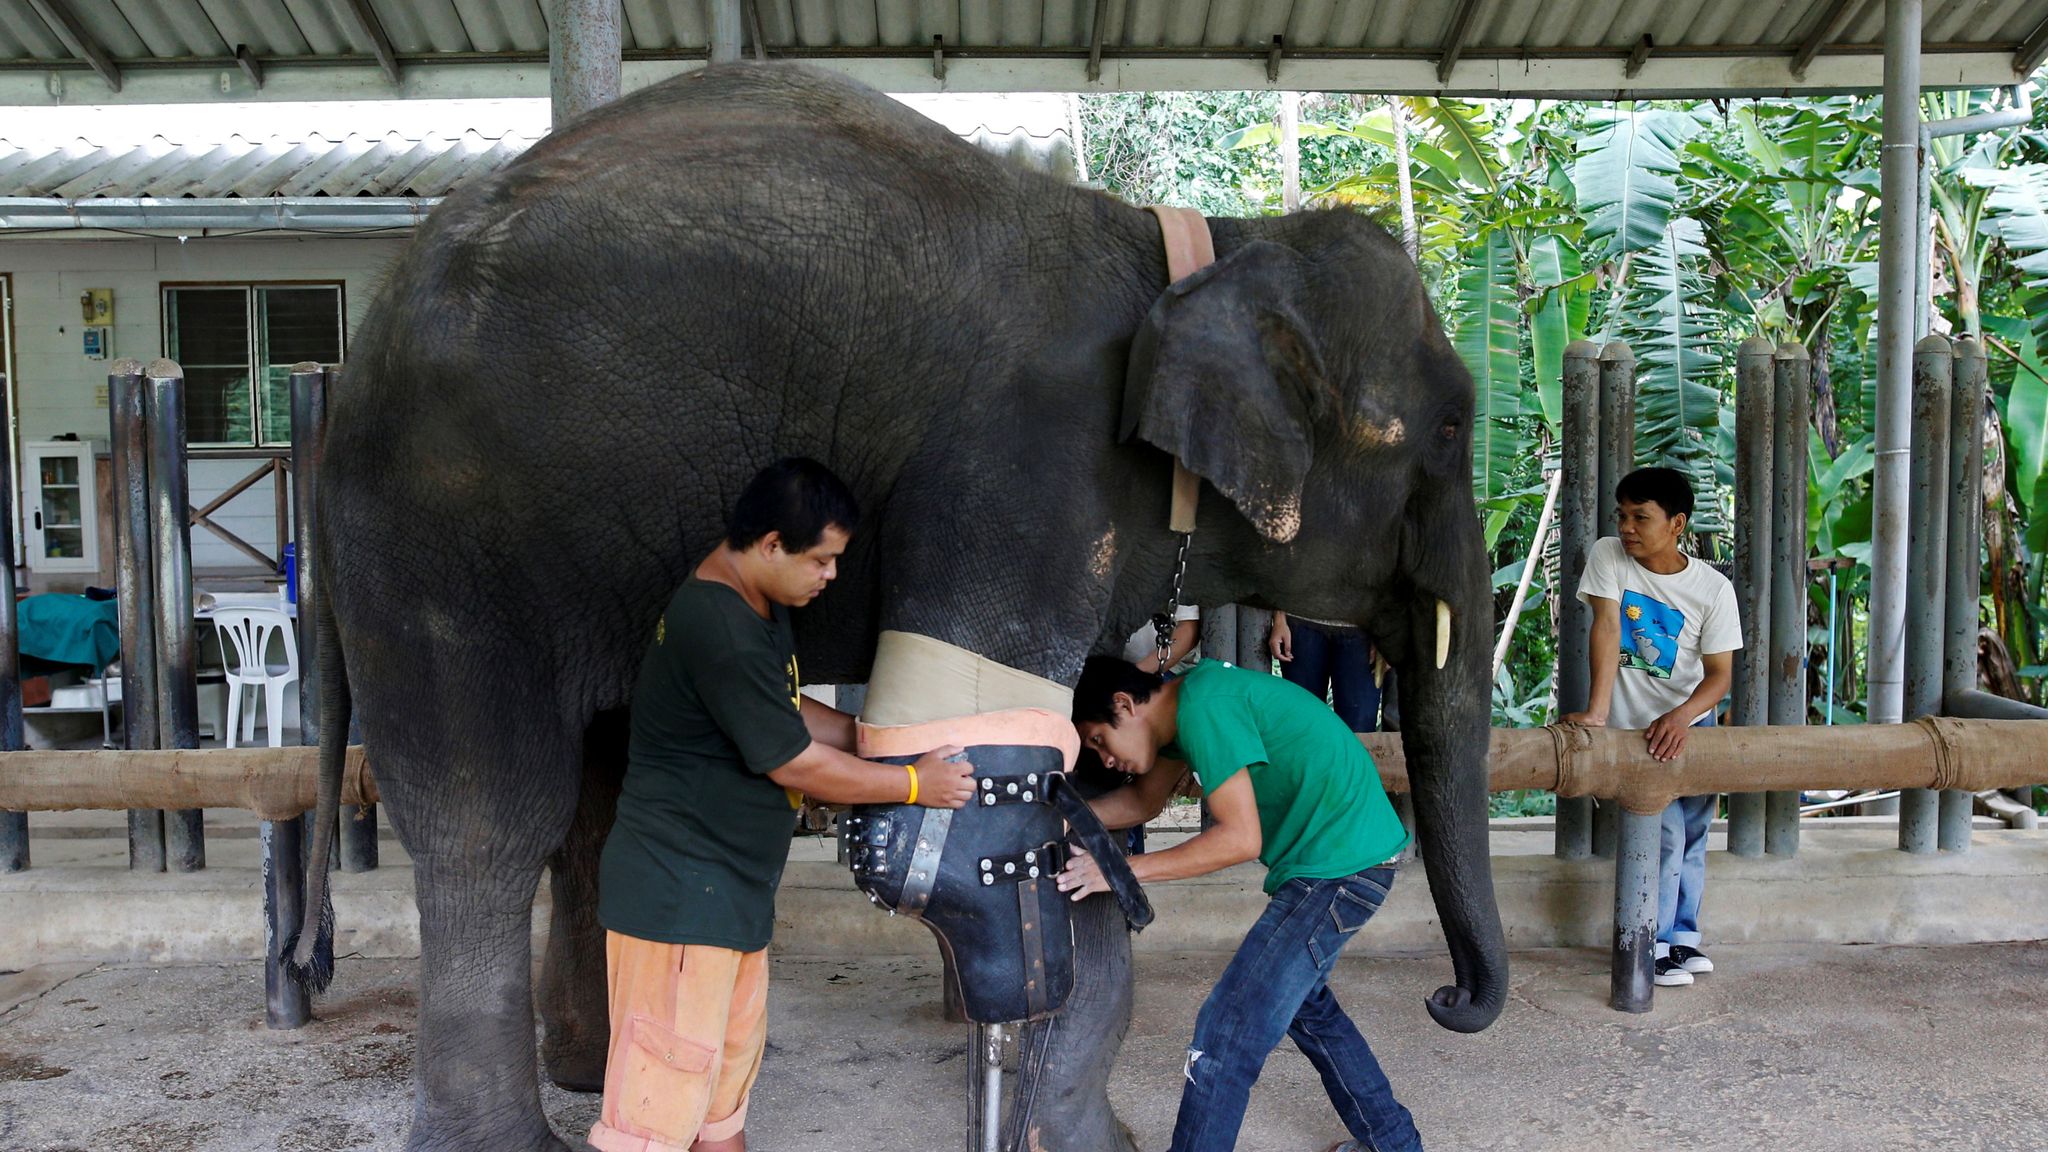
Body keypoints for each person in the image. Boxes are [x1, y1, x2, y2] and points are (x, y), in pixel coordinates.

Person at [591, 457, 976, 1152]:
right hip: (679, 902)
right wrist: (915, 784)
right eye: (821, 561)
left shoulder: (759, 606)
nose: (830, 576)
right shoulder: (720, 626)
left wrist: (877, 739)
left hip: (729, 897)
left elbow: (789, 711)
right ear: (771, 545)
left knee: (721, 1107)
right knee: (651, 1124)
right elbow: (792, 759)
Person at [1058, 655, 1420, 1152]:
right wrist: (1064, 821)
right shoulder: (1186, 711)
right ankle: (1393, 1144)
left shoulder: (1205, 705)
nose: (1103, 759)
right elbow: (1143, 803)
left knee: (1226, 1034)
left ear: (1124, 704)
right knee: (1309, 1010)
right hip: (1344, 863)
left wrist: (1118, 871)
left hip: (1338, 870)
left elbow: (1240, 839)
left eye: (1099, 739)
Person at [1563, 466, 1740, 989]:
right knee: (1663, 834)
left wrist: (1682, 717)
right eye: (1623, 515)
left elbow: (1721, 676)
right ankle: (1653, 942)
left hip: (1690, 721)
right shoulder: (1608, 556)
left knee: (1694, 832)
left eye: (1642, 517)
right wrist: (1598, 714)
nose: (1628, 527)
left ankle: (1683, 935)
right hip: (1634, 730)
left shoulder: (1713, 589)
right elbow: (1607, 625)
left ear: (1677, 523)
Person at [1270, 610, 1382, 733]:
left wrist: (1385, 631)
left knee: (1358, 734)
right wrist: (1279, 618)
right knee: (1301, 729)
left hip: (1365, 627)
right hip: (1299, 620)